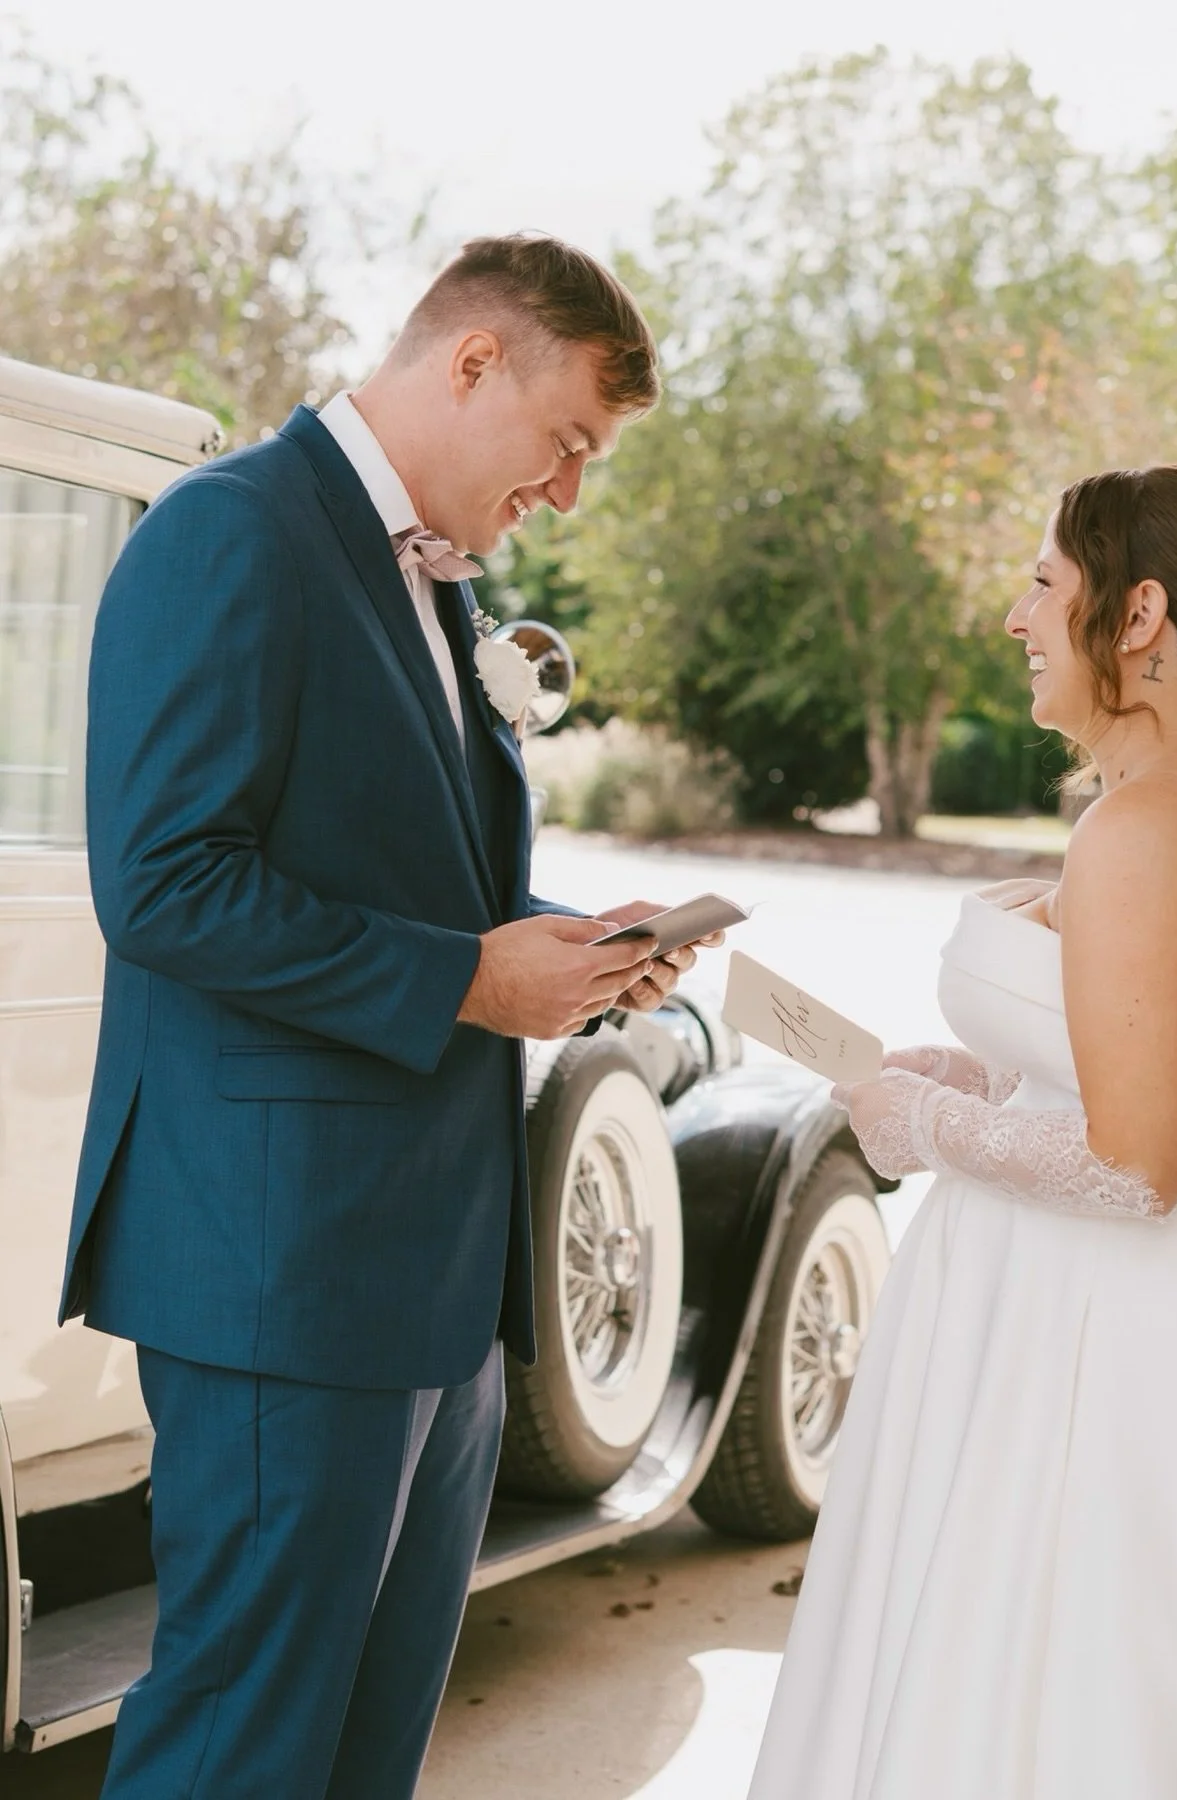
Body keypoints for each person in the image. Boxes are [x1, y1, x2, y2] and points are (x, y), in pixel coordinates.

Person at [59, 234, 699, 1800]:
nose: (565, 493)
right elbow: (164, 885)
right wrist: (477, 980)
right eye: (566, 446)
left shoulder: (436, 579)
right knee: (241, 1744)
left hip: (433, 1285)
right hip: (283, 1268)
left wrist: (567, 950)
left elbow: (410, 879)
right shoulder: (234, 534)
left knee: (363, 1756)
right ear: (474, 362)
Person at [749, 465, 1177, 1799]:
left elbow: (1136, 1167)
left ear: (1140, 618)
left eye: (1046, 583)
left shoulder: (1147, 831)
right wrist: (998, 1083)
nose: (1016, 616)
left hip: (1103, 1364)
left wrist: (925, 1124)